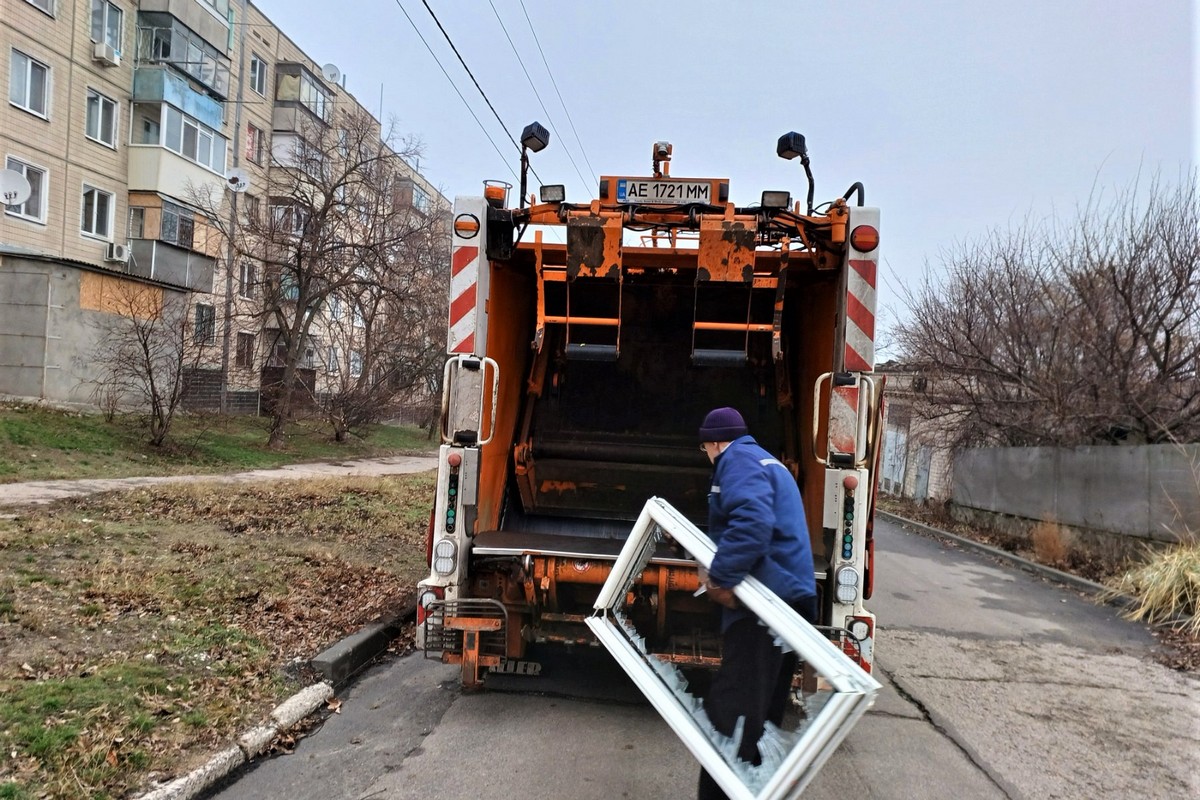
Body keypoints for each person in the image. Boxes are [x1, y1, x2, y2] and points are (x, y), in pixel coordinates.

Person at [696, 406, 818, 800]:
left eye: (705, 449)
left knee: (731, 717)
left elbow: (751, 521)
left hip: (765, 607)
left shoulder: (738, 460)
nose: (707, 457)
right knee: (760, 716)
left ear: (715, 442)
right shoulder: (768, 461)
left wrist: (721, 577)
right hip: (790, 602)